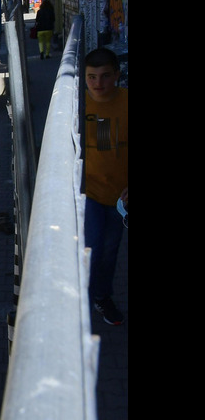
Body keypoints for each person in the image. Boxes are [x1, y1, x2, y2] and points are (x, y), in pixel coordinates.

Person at [82, 47, 128, 326]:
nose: (98, 84)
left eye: (105, 76)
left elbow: (104, 145)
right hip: (91, 195)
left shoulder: (125, 102)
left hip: (120, 198)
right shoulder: (79, 105)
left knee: (110, 252)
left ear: (117, 75)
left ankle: (102, 297)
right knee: (92, 250)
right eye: (91, 77)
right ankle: (81, 303)